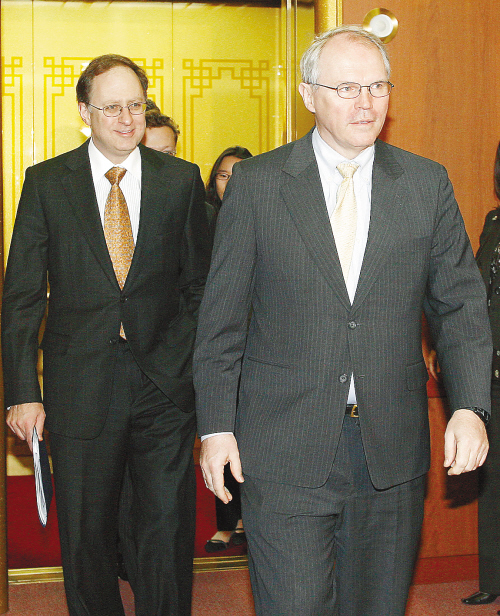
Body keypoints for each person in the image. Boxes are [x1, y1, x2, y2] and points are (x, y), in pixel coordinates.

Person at [193, 25, 492, 616]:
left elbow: (460, 305)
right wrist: (216, 426)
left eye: (377, 86)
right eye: (347, 87)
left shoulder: (425, 183)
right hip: (283, 446)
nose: (366, 102)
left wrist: (470, 407)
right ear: (308, 94)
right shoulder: (259, 185)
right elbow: (221, 321)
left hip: (390, 448)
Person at [2, 54, 211, 616]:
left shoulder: (180, 180)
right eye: (112, 107)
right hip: (80, 384)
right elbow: (22, 296)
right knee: (87, 534)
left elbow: (199, 285)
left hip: (163, 386)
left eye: (135, 105)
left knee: (166, 530)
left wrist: (186, 363)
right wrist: (23, 392)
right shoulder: (47, 183)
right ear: (84, 111)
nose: (126, 118)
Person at [203, 145, 252, 552]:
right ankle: (225, 522)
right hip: (216, 345)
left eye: (239, 175)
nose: (230, 183)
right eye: (223, 175)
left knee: (249, 437)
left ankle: (249, 520)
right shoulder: (202, 221)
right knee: (219, 432)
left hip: (257, 347)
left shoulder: (264, 212)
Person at [462, 141, 500, 609]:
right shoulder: (493, 222)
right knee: (493, 481)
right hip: (491, 373)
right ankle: (493, 576)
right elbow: (472, 291)